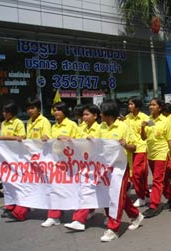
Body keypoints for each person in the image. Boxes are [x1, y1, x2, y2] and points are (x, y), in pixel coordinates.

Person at [99, 101, 143, 242]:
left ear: (109, 114)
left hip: (121, 168)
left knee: (116, 197)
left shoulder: (124, 127)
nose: (100, 115)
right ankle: (135, 215)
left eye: (102, 113)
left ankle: (113, 228)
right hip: (106, 168)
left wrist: (126, 144)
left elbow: (134, 147)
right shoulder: (102, 127)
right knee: (118, 196)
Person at [3, 98, 52, 221]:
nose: (29, 111)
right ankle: (21, 211)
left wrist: (45, 137)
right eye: (28, 108)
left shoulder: (44, 121)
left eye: (32, 108)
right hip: (31, 159)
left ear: (38, 108)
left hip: (43, 159)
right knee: (29, 184)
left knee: (45, 185)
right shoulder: (29, 122)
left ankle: (53, 212)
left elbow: (48, 138)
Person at [64, 104, 102, 231]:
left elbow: (105, 145)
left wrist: (95, 140)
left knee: (101, 192)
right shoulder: (82, 129)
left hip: (99, 165)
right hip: (86, 165)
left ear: (95, 116)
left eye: (87, 114)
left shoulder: (100, 128)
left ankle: (81, 218)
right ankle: (81, 218)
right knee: (85, 191)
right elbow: (77, 143)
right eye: (83, 115)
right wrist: (69, 139)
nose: (84, 117)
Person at [41, 101, 79, 227]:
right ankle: (54, 216)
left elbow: (80, 143)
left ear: (64, 111)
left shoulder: (72, 125)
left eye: (58, 110)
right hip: (56, 162)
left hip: (70, 163)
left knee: (72, 189)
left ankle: (82, 213)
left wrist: (69, 139)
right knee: (55, 188)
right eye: (54, 110)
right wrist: (47, 139)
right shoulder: (54, 126)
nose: (55, 112)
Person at [140, 98, 171, 218]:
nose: (151, 107)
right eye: (150, 105)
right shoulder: (149, 120)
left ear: (160, 108)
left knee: (157, 180)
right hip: (151, 154)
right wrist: (142, 128)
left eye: (153, 105)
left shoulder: (166, 121)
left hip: (162, 153)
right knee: (163, 179)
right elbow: (144, 138)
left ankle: (154, 205)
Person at [0, 101, 27, 219]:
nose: (3, 113)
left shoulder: (18, 123)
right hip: (6, 157)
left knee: (18, 181)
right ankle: (10, 206)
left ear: (11, 112)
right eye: (3, 111)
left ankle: (19, 206)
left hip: (17, 157)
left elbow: (21, 137)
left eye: (6, 111)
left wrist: (1, 138)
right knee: (7, 181)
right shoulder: (3, 123)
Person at [125, 97, 149, 207]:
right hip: (130, 149)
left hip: (141, 148)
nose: (129, 106)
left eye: (131, 104)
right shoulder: (126, 118)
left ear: (137, 106)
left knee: (136, 173)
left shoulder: (146, 118)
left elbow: (154, 130)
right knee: (136, 174)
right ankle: (144, 193)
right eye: (129, 104)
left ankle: (141, 197)